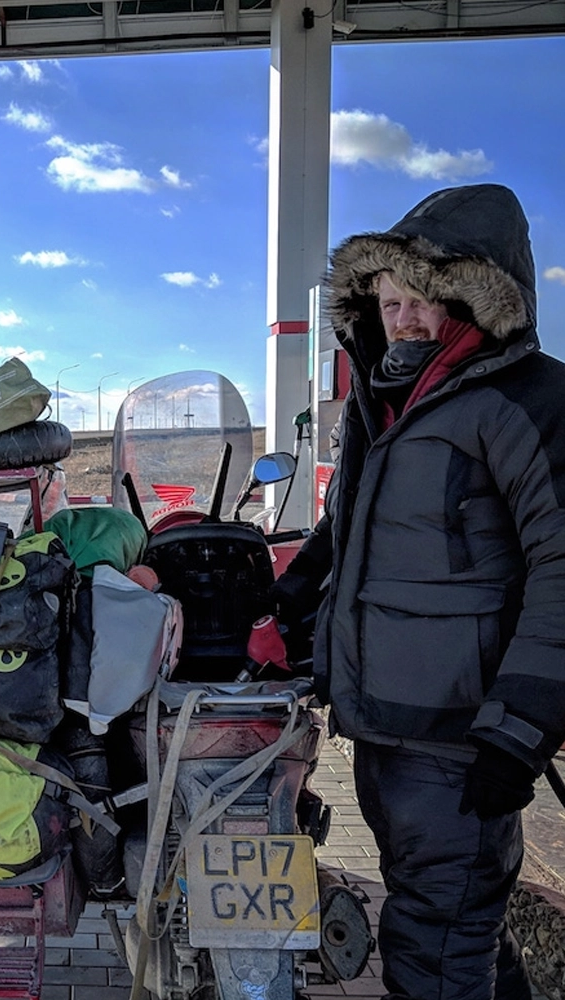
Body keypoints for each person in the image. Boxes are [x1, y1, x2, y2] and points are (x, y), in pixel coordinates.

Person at [273, 183, 565, 999]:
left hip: (463, 736)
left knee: (433, 950)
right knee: (458, 924)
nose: (399, 319)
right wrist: (288, 601)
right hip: (383, 728)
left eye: (419, 301)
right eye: (388, 301)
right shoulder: (386, 404)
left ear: (472, 298)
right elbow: (343, 532)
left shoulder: (528, 399)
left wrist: (520, 728)